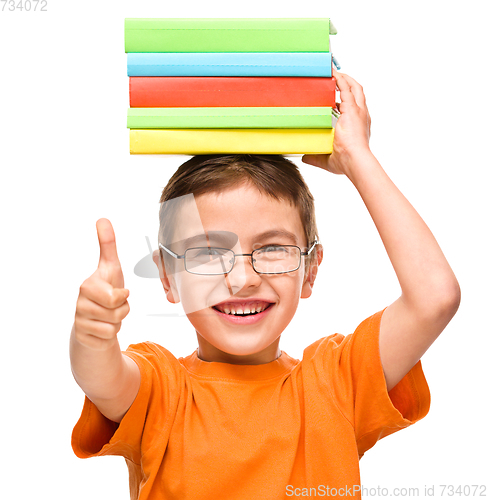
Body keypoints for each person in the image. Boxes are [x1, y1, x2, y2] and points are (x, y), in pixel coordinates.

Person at [70, 72, 461, 500]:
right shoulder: (160, 388)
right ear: (168, 276)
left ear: (310, 270)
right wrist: (91, 336)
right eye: (207, 252)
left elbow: (435, 297)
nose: (242, 279)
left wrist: (357, 157)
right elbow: (102, 376)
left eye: (272, 248)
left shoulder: (336, 383)